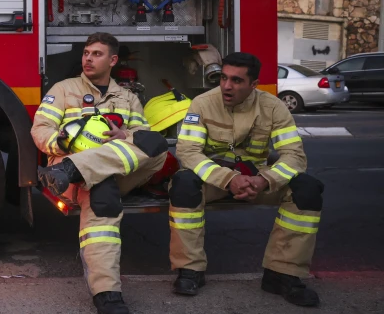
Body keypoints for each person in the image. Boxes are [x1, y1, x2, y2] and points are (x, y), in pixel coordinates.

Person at [168, 52, 323, 307]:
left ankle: (283, 275)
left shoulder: (274, 107)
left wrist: (265, 180)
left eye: (237, 81)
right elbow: (188, 152)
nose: (227, 86)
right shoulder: (202, 103)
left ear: (253, 85)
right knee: (183, 185)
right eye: (223, 78)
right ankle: (190, 270)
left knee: (307, 189)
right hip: (215, 180)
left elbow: (294, 155)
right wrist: (228, 179)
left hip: (257, 180)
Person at [32, 32, 168, 314]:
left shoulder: (128, 98)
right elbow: (40, 129)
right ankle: (107, 293)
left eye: (97, 54)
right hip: (77, 177)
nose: (88, 59)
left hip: (92, 170)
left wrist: (124, 134)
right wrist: (61, 141)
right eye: (86, 53)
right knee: (102, 193)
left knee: (155, 143)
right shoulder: (63, 89)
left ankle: (75, 169)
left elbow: (142, 136)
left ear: (113, 60)